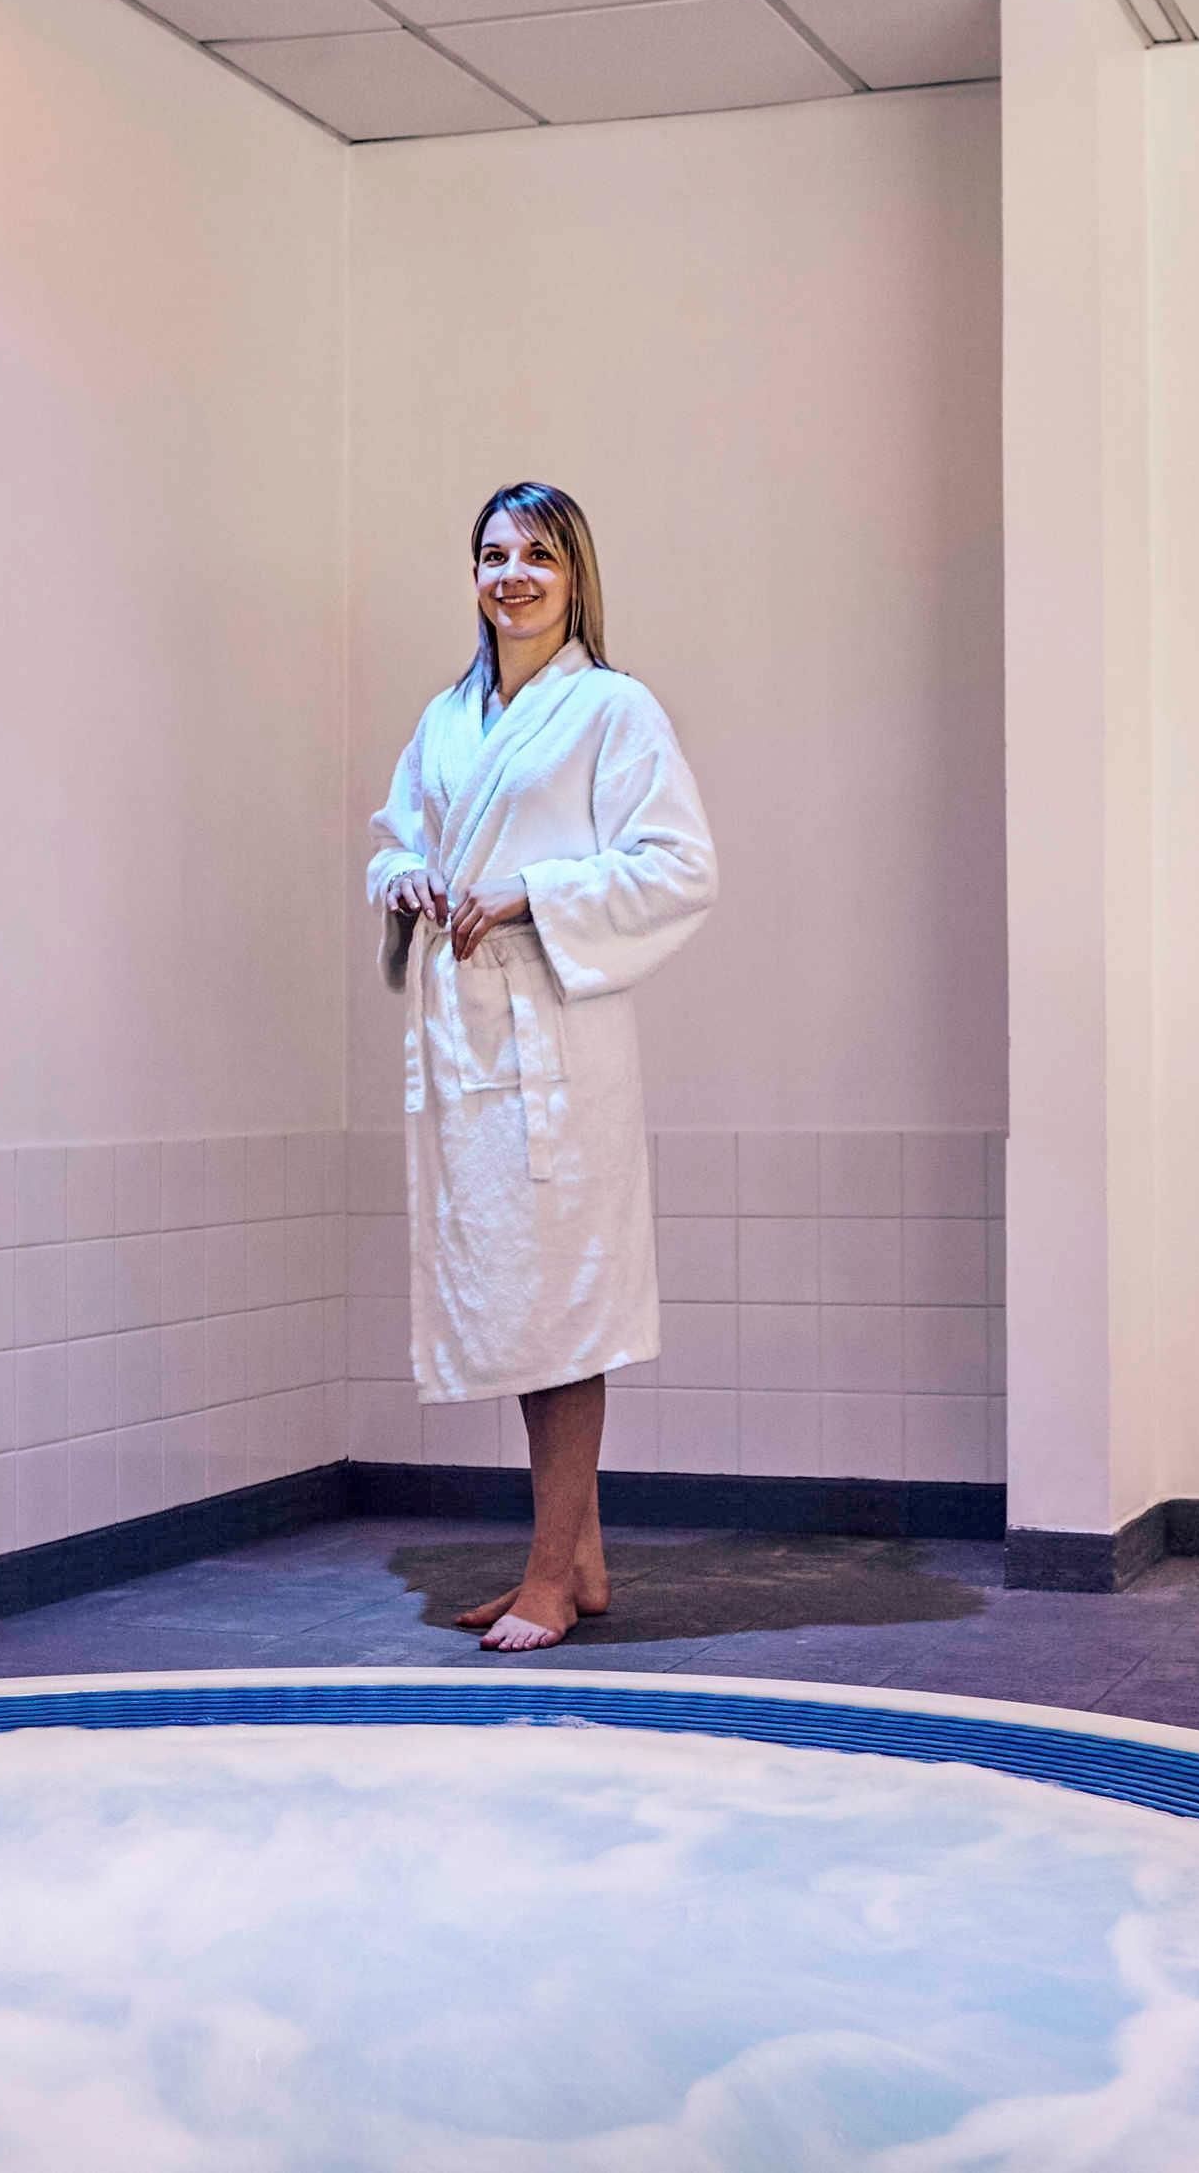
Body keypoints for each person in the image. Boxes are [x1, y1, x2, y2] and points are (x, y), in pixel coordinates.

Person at [366, 482, 717, 1652]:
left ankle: (547, 1580)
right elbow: (395, 835)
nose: (511, 575)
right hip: (468, 1048)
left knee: (564, 1311)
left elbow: (680, 866)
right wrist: (405, 878)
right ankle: (582, 1558)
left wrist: (534, 891)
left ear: (575, 576)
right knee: (527, 1307)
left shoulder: (614, 709)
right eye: (493, 555)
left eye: (537, 556)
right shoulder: (448, 717)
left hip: (558, 1047)